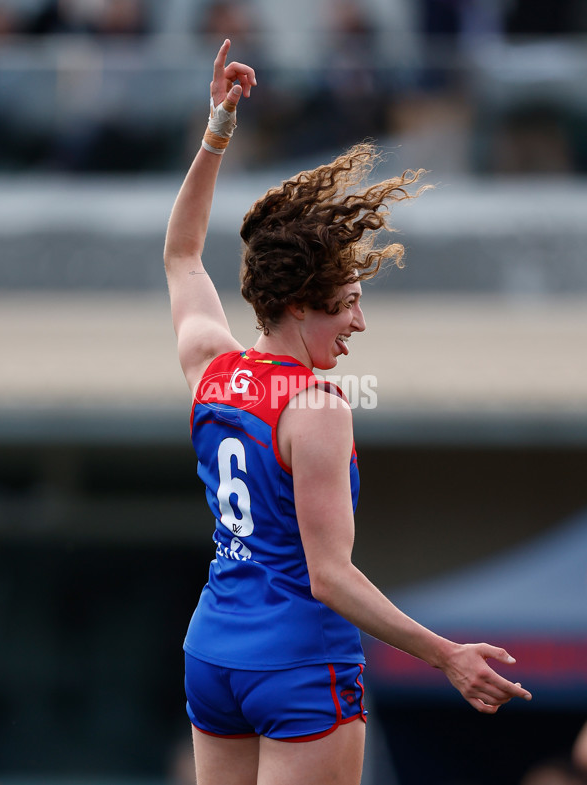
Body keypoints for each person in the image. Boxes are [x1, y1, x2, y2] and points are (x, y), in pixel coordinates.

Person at [163, 39, 532, 785]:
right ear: (301, 303)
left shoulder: (211, 364)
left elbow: (182, 255)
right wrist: (447, 654)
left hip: (213, 653)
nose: (359, 323)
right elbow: (329, 577)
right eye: (349, 303)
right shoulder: (317, 407)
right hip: (298, 661)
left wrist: (216, 132)